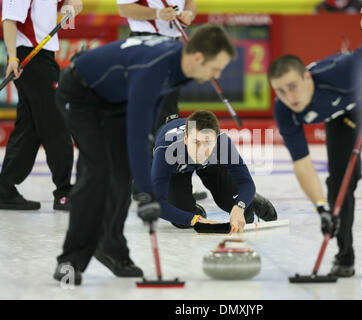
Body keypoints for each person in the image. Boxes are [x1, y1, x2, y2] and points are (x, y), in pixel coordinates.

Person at [52, 24, 236, 285]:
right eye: (216, 68)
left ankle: (110, 247)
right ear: (198, 58)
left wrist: (145, 180)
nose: (217, 75)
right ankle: (69, 261)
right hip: (81, 94)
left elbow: (150, 120)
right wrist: (148, 194)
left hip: (115, 97)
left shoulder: (179, 65)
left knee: (123, 170)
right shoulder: (155, 68)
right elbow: (136, 137)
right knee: (98, 173)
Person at [269, 28, 362, 277]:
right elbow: (302, 163)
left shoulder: (343, 70)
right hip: (341, 117)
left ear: (307, 77)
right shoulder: (285, 111)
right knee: (339, 184)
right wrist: (321, 208)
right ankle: (344, 256)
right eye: (280, 91)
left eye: (292, 86)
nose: (289, 97)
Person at [117, 0, 207, 201]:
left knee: (170, 118)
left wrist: (188, 15)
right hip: (145, 44)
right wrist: (157, 13)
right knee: (145, 117)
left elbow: (190, 3)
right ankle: (142, 184)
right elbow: (124, 8)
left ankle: (176, 185)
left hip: (173, 43)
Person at [0, 0, 82, 211]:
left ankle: (4, 190)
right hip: (30, 56)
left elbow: (72, 3)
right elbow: (9, 20)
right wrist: (12, 57)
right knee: (56, 123)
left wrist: (72, 7)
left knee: (30, 128)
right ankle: (64, 192)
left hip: (43, 54)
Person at [145, 110, 277, 231]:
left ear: (216, 140)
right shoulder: (166, 150)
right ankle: (192, 209)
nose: (201, 151)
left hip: (210, 163)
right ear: (186, 139)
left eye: (208, 143)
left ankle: (252, 199)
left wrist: (240, 206)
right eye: (196, 142)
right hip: (177, 168)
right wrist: (194, 219)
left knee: (237, 207)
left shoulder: (223, 142)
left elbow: (246, 182)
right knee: (183, 221)